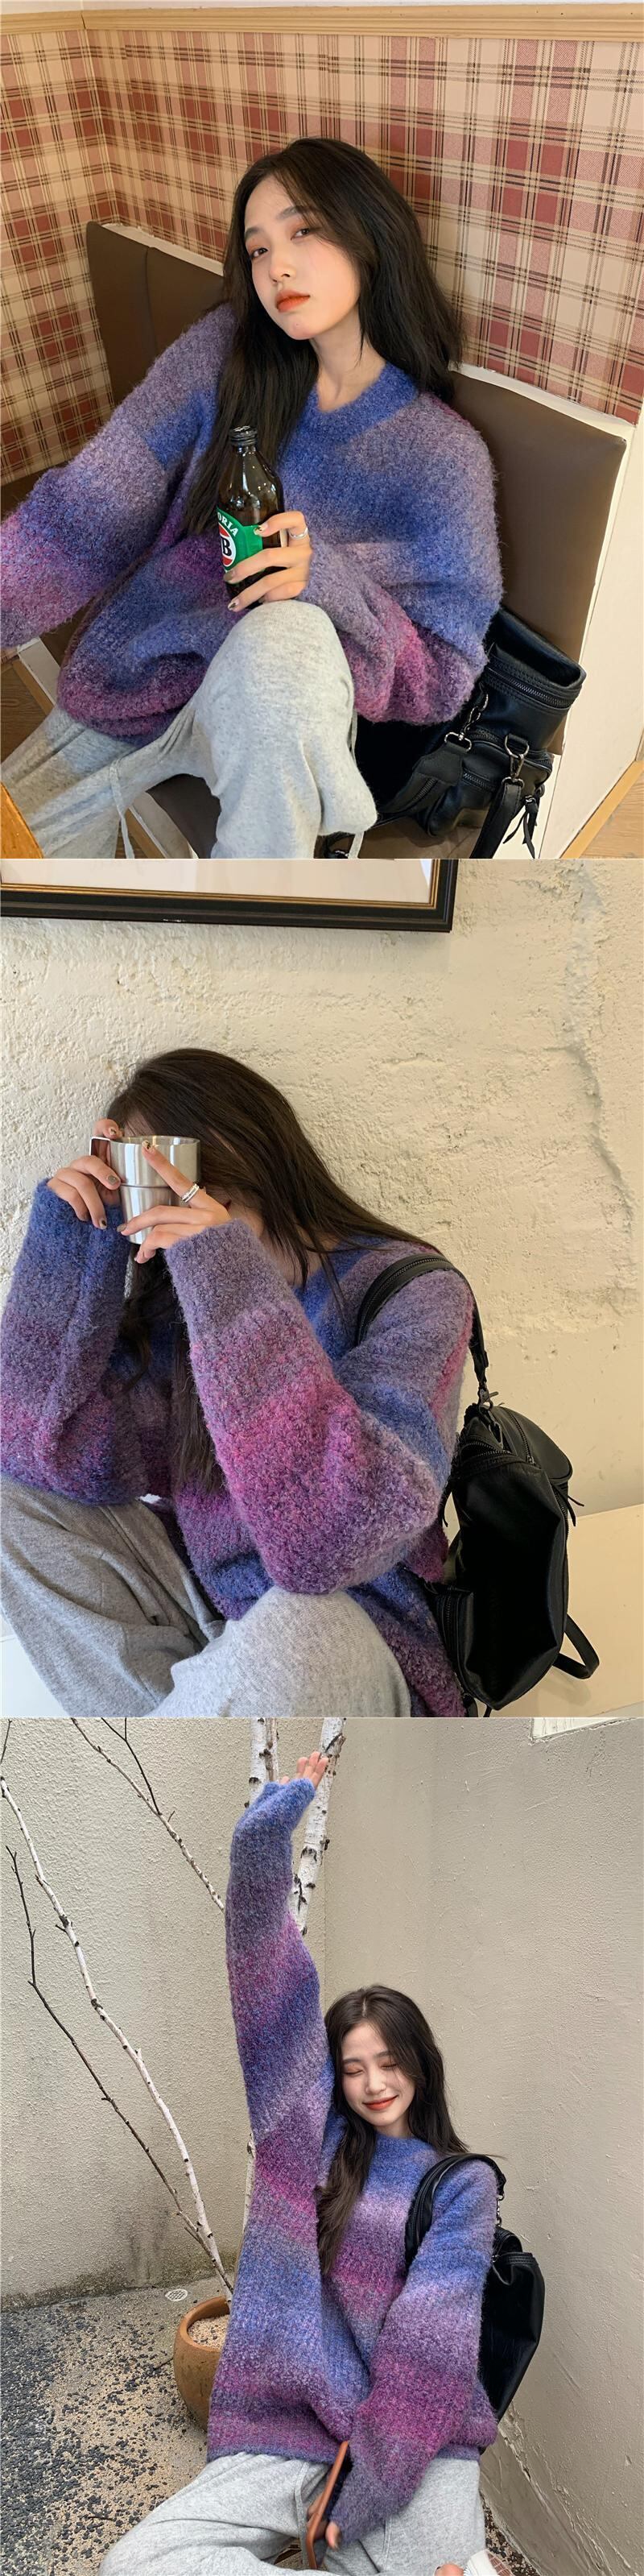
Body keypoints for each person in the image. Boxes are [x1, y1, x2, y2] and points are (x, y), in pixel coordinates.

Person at [1, 135, 502, 862]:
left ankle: (261, 901)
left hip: (289, 704)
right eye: (258, 249)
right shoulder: (223, 355)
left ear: (372, 237)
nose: (277, 267)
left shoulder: (444, 456)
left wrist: (320, 580)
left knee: (283, 639)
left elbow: (442, 674)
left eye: (303, 232)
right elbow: (89, 507)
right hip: (153, 670)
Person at [99, 1751, 509, 2574]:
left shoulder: (460, 2185)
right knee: (136, 2565)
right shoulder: (304, 2138)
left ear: (419, 2065)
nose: (373, 2083)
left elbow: (430, 2350)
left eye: (389, 2062)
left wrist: (363, 2492)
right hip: (282, 2434)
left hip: (410, 2448)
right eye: (352, 2067)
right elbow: (265, 1975)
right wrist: (268, 1828)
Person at [0, 1043, 476, 1723]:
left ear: (253, 1144)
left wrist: (227, 1274)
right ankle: (180, 1751)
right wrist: (76, 1242)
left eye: (184, 1157)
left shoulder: (413, 1291)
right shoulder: (179, 1303)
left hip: (352, 1637)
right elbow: (38, 1449)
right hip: (217, 1609)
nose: (179, 1186)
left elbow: (331, 1546)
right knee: (11, 1497)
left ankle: (176, 1756)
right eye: (145, 1171)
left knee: (298, 1628)